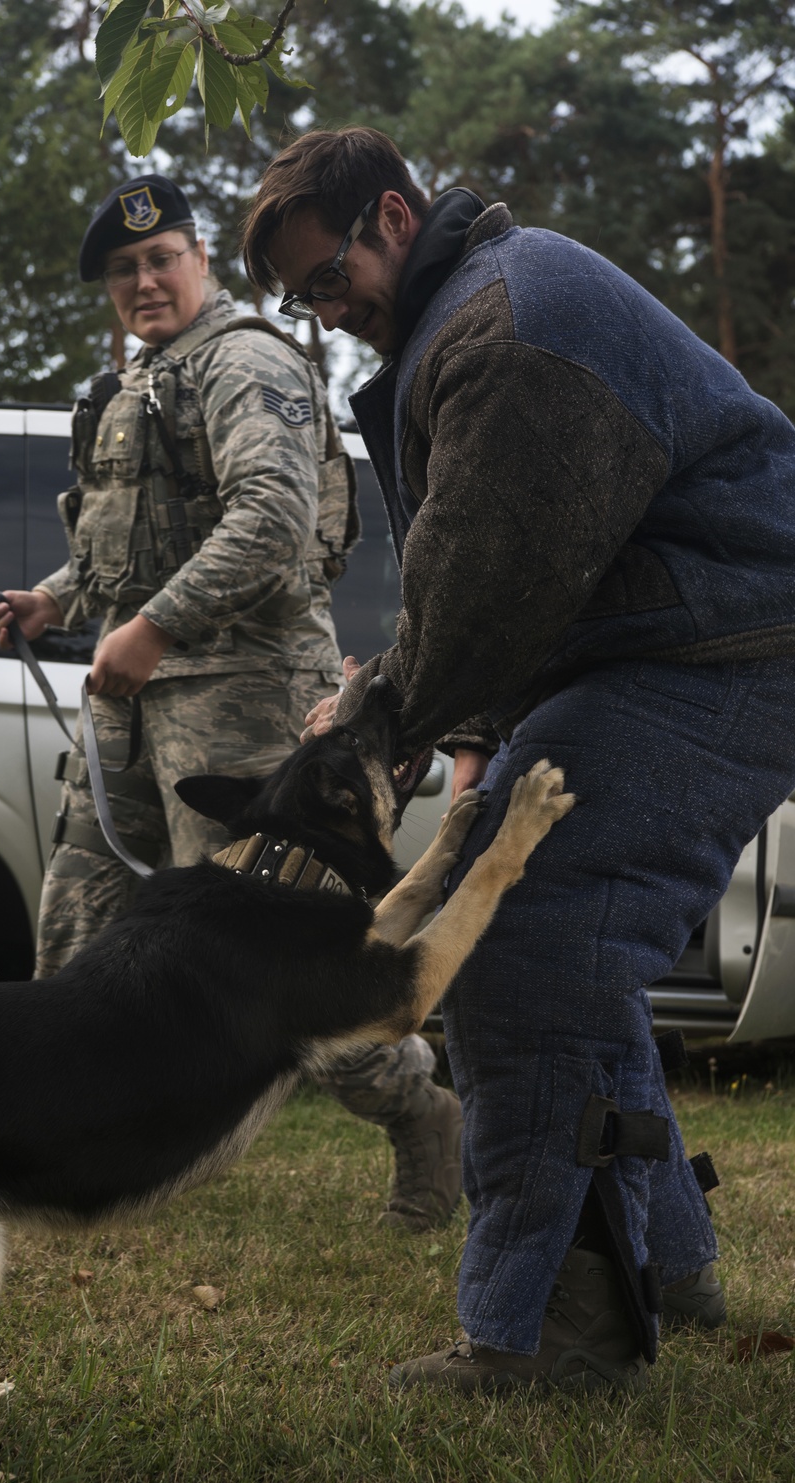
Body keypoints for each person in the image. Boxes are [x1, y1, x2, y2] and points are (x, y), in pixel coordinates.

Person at [241, 126, 795, 1393]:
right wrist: (473, 749)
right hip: (661, 647)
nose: (325, 315)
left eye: (329, 280)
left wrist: (373, 720)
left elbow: (486, 593)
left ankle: (558, 1335)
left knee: (526, 943)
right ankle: (665, 1262)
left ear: (391, 215)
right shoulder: (478, 312)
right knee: (558, 944)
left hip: (722, 649)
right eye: (299, 298)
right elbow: (509, 579)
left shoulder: (510, 335)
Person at [0, 173, 463, 1234]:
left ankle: (423, 1114)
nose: (143, 282)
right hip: (133, 704)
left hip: (241, 704)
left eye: (160, 259)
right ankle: (69, 1157)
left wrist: (152, 631)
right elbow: (124, 544)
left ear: (198, 260)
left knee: (271, 961)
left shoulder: (244, 362)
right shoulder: (139, 380)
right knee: (81, 936)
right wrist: (50, 599)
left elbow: (273, 522)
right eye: (121, 271)